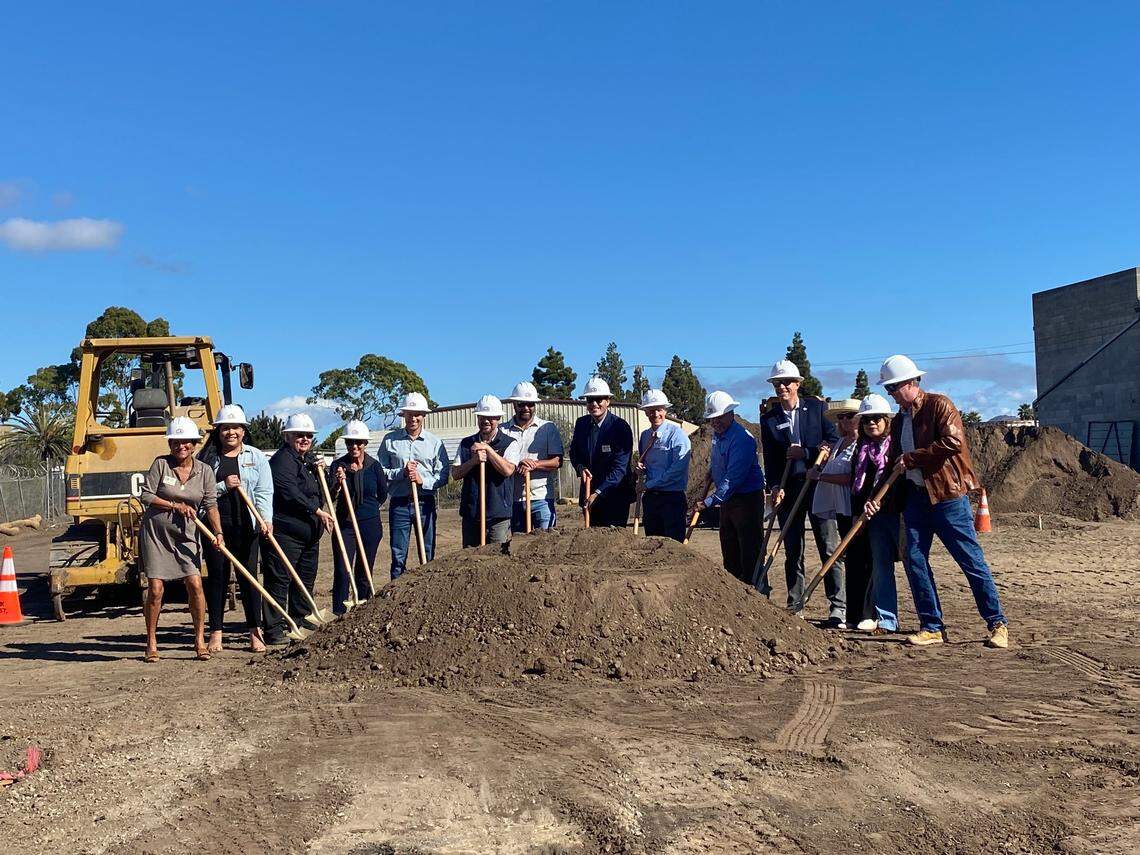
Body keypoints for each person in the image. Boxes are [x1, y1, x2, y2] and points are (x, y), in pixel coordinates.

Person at [871, 354, 1009, 649]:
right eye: (888, 390)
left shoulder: (939, 405)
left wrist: (913, 458)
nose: (891, 395)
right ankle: (931, 626)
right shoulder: (898, 423)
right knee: (915, 561)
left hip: (948, 497)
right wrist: (876, 499)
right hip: (916, 500)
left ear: (910, 383)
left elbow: (953, 442)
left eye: (893, 388)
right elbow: (894, 464)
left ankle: (997, 624)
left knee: (970, 561)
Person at [759, 359, 842, 618]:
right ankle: (796, 604)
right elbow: (772, 459)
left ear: (797, 384)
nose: (781, 387)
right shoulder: (769, 419)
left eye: (786, 382)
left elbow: (833, 440)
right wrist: (774, 486)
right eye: (777, 383)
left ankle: (837, 606)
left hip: (818, 485)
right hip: (789, 487)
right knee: (793, 548)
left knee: (828, 546)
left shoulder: (817, 409)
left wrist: (806, 452)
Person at [139, 416, 225, 662]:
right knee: (155, 589)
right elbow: (146, 496)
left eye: (186, 442)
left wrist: (218, 533)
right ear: (170, 444)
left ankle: (199, 640)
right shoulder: (161, 465)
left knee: (195, 584)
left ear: (194, 444)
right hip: (157, 535)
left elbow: (210, 505)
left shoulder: (204, 471)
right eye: (176, 442)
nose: (181, 447)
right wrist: (174, 505)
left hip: (187, 535)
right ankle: (151, 641)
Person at [198, 404, 273, 653]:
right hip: (216, 528)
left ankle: (255, 631)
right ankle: (216, 632)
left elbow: (264, 491)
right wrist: (223, 486)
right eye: (226, 428)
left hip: (247, 527)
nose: (231, 432)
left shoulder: (256, 457)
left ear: (243, 430)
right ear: (218, 431)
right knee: (218, 579)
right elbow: (200, 494)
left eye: (236, 427)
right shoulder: (207, 461)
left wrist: (266, 519)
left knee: (249, 579)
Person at [262, 413, 335, 646]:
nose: (304, 439)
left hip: (310, 534)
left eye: (308, 436)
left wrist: (331, 476)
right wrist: (317, 512)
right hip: (287, 532)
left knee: (305, 579)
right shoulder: (282, 461)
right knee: (280, 579)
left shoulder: (309, 461)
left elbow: (323, 491)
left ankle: (300, 618)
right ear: (288, 436)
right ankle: (274, 629)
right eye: (299, 435)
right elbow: (290, 493)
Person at [690, 391, 765, 584]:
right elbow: (720, 462)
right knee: (729, 545)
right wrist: (712, 472)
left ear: (731, 413)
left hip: (746, 499)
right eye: (712, 418)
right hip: (728, 500)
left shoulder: (742, 439)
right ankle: (733, 588)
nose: (716, 422)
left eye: (720, 417)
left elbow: (733, 479)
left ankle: (754, 589)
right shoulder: (718, 436)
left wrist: (707, 502)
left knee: (749, 548)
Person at [848, 394, 904, 634]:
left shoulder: (896, 446)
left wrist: (882, 501)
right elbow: (857, 483)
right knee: (880, 567)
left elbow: (900, 481)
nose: (872, 423)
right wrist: (862, 508)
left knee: (913, 565)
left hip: (897, 512)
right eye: (867, 419)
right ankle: (885, 618)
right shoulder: (861, 448)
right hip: (872, 517)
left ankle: (929, 621)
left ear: (886, 420)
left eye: (877, 418)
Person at [378, 392, 450, 579]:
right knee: (398, 554)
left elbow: (443, 475)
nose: (413, 418)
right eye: (409, 414)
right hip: (400, 504)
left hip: (425, 503)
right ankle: (395, 594)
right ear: (404, 415)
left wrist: (422, 481)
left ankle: (427, 591)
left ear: (423, 416)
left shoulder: (435, 443)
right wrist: (400, 473)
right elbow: (380, 471)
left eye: (417, 414)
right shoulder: (390, 440)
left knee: (427, 553)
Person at [808, 399, 859, 629]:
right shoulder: (838, 443)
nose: (843, 421)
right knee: (836, 553)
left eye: (849, 416)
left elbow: (851, 478)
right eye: (840, 417)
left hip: (853, 508)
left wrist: (820, 476)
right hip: (836, 509)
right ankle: (842, 606)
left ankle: (859, 610)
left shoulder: (860, 445)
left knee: (858, 560)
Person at [328, 419, 388, 613]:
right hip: (345, 525)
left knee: (364, 571)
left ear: (365, 443)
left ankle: (362, 609)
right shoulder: (338, 466)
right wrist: (338, 483)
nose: (354, 446)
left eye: (359, 442)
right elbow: (329, 495)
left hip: (369, 525)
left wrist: (368, 510)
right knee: (343, 570)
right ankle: (339, 611)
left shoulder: (374, 466)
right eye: (350, 442)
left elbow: (382, 494)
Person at [452, 395, 519, 549]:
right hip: (472, 512)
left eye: (491, 417)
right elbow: (455, 473)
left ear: (498, 418)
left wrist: (489, 450)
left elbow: (508, 470)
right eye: (482, 417)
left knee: (496, 557)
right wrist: (473, 461)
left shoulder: (509, 443)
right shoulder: (466, 444)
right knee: (468, 558)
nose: (486, 421)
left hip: (498, 513)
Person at [569, 377, 634, 527]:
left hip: (615, 497)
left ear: (608, 401)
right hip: (589, 497)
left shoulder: (620, 427)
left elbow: (620, 469)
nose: (594, 404)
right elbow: (574, 452)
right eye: (590, 400)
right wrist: (580, 467)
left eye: (599, 400)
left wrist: (598, 492)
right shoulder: (582, 424)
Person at [501, 381, 564, 532]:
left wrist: (534, 464)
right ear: (514, 404)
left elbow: (557, 461)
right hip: (513, 499)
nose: (526, 408)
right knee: (517, 547)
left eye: (530, 404)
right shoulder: (502, 430)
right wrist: (517, 465)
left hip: (541, 497)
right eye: (522, 404)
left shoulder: (547, 428)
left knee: (545, 544)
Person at [636, 388, 691, 541]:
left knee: (672, 546)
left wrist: (650, 484)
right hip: (651, 500)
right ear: (645, 412)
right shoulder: (645, 436)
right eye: (651, 410)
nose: (655, 414)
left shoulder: (677, 434)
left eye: (659, 410)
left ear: (665, 410)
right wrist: (641, 469)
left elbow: (677, 470)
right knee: (652, 544)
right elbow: (645, 462)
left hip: (672, 499)